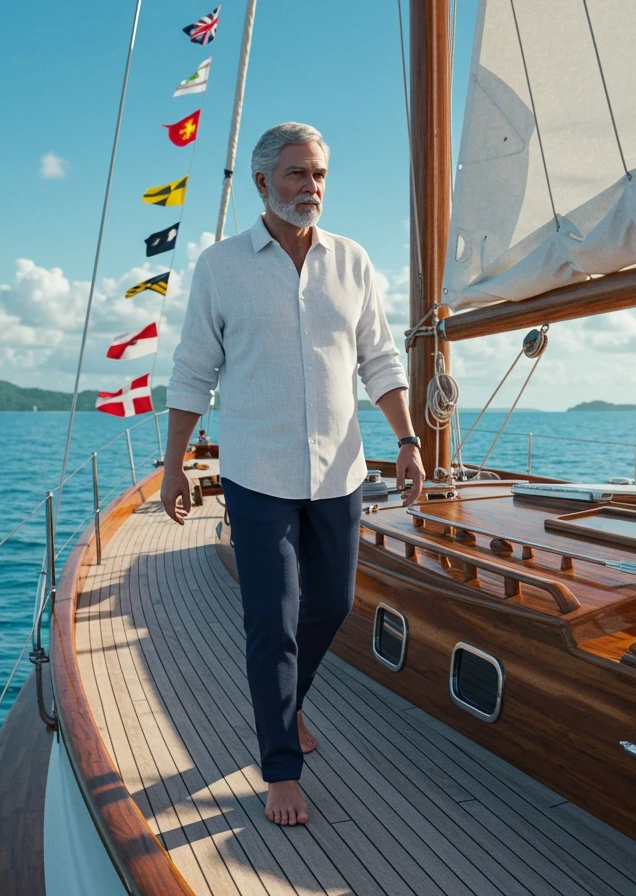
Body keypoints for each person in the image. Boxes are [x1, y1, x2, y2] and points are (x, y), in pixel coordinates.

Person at [159, 122, 425, 827]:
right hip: (257, 473)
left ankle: (289, 703)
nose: (312, 188)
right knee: (270, 620)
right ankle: (280, 765)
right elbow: (192, 371)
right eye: (298, 174)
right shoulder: (221, 268)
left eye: (320, 176)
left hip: (339, 473)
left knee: (331, 604)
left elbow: (379, 361)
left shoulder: (353, 262)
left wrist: (406, 439)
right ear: (262, 183)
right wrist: (175, 465)